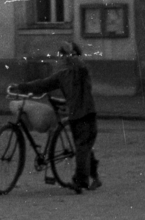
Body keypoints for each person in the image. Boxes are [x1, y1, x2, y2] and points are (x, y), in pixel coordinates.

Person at [23, 41, 101, 193]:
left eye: (65, 57)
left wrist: (70, 53)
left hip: (86, 114)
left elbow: (80, 65)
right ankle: (95, 177)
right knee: (84, 146)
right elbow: (42, 85)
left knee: (82, 147)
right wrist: (22, 87)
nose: (63, 60)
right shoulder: (63, 75)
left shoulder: (81, 72)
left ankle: (81, 182)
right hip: (77, 115)